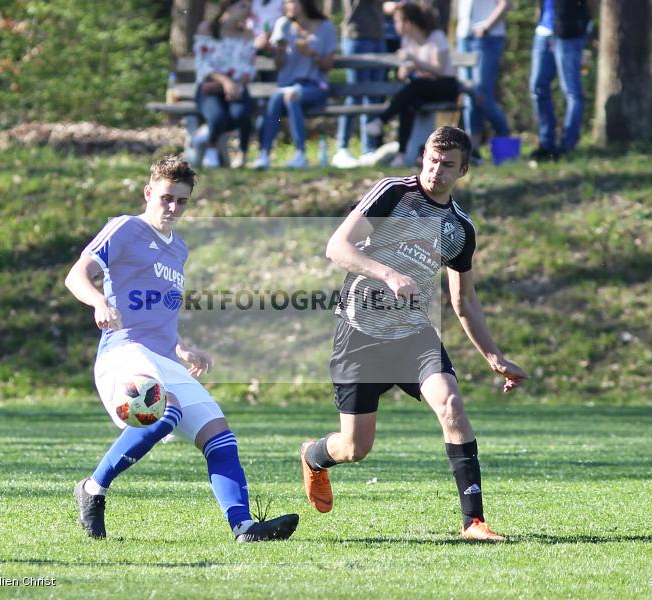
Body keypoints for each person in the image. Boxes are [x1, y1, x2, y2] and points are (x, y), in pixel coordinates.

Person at [299, 127, 526, 541]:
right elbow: (337, 247)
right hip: (359, 333)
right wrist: (389, 273)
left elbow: (465, 301)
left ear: (464, 170)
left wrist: (495, 357)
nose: (437, 171)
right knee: (355, 448)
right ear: (423, 156)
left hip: (412, 336)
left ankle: (473, 521)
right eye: (432, 161)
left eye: (448, 165)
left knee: (452, 404)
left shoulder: (459, 229)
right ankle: (314, 456)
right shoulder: (393, 194)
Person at [65, 156, 299, 543]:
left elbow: (156, 312)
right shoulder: (125, 228)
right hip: (123, 353)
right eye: (166, 198)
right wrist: (98, 302)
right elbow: (76, 275)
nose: (173, 207)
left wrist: (181, 347)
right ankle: (93, 488)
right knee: (166, 407)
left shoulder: (179, 250)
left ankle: (243, 528)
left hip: (161, 357)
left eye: (182, 201)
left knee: (219, 435)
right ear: (148, 193)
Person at [365, 3, 460, 167]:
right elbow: (403, 75)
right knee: (409, 104)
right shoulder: (407, 41)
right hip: (423, 89)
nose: (395, 26)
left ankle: (381, 120)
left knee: (415, 88)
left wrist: (414, 62)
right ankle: (402, 155)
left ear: (408, 23)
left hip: (445, 86)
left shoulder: (436, 36)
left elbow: (440, 70)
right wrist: (405, 69)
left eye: (397, 21)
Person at [254, 0, 338, 169]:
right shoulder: (283, 25)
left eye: (290, 2)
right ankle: (264, 153)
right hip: (287, 87)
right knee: (280, 96)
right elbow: (278, 65)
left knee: (290, 95)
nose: (286, 6)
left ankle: (300, 153)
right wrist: (279, 50)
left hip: (315, 87)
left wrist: (311, 53)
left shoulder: (326, 27)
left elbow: (328, 66)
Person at [192, 0, 258, 168]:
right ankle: (211, 149)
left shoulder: (247, 34)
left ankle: (241, 155)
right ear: (228, 6)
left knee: (241, 114)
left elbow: (249, 68)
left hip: (237, 87)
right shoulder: (207, 28)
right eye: (242, 6)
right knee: (218, 117)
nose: (246, 12)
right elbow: (203, 65)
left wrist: (236, 84)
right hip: (210, 89)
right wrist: (225, 82)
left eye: (249, 8)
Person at [528, 0, 596, 161]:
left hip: (569, 32)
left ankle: (567, 145)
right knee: (537, 88)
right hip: (544, 31)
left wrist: (586, 25)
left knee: (571, 91)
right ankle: (546, 144)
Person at [331, 0, 388, 169]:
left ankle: (369, 148)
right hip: (356, 36)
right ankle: (342, 147)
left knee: (374, 95)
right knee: (355, 94)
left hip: (378, 35)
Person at [456, 0, 513, 160]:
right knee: (468, 94)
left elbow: (506, 4)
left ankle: (504, 137)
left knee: (482, 94)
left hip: (487, 37)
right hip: (464, 37)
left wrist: (487, 26)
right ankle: (472, 150)